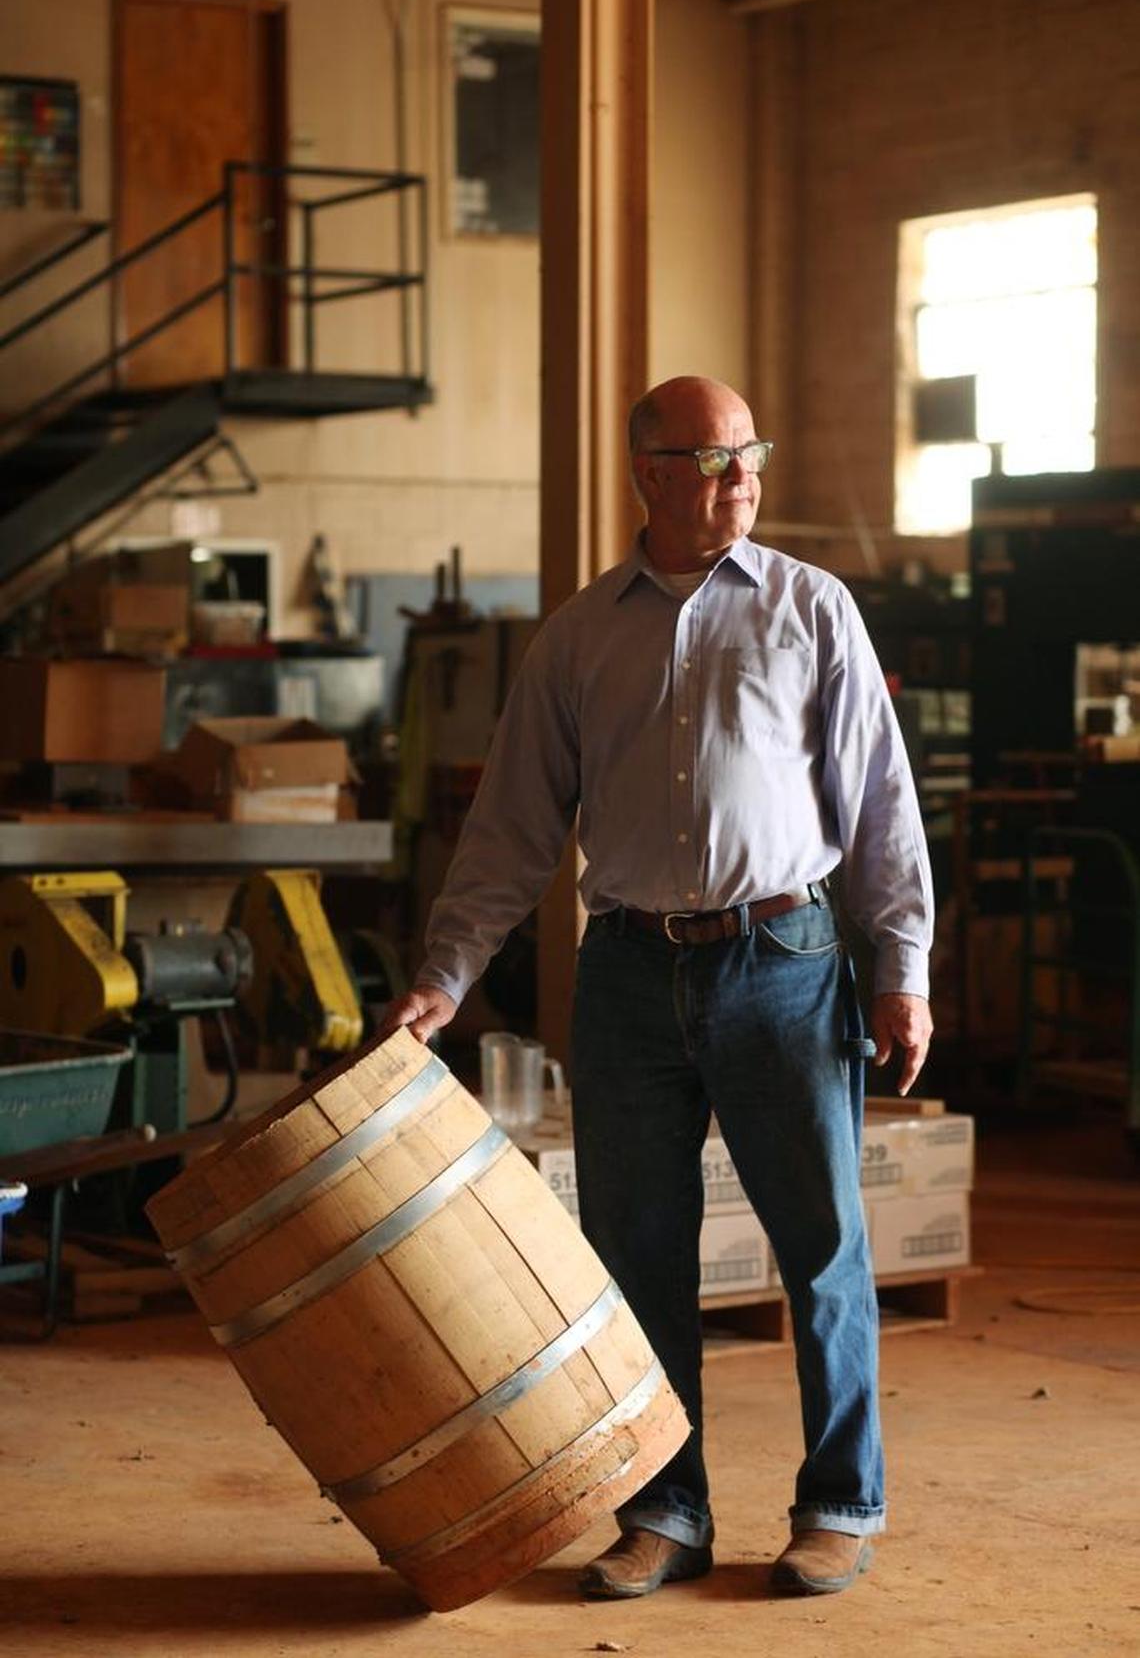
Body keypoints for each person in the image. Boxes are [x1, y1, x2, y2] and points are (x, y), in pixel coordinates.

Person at [381, 374, 934, 1601]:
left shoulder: (813, 609)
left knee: (824, 1246)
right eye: (707, 458)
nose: (739, 478)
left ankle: (838, 1502)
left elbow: (882, 805)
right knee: (635, 1252)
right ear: (644, 473)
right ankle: (665, 1510)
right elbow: (513, 828)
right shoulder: (578, 636)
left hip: (786, 960)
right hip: (627, 970)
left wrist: (902, 968)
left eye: (750, 454)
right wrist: (446, 975)